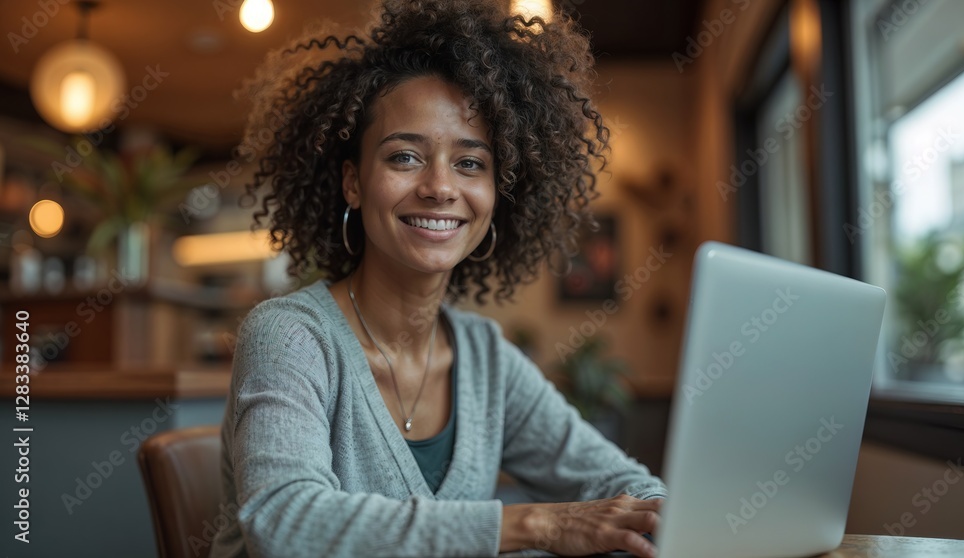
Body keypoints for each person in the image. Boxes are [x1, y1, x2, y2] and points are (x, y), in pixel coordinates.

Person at [210, 1, 667, 556]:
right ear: (353, 183)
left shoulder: (484, 358)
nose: (440, 188)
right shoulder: (289, 337)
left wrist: (664, 512)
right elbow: (284, 524)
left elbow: (619, 483)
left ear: (498, 196)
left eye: (471, 163)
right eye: (405, 157)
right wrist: (534, 526)